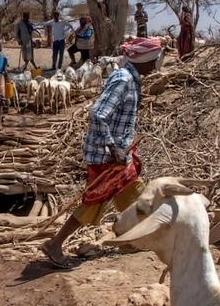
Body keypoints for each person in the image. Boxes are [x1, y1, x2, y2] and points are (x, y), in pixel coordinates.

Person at [40, 37, 164, 268]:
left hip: (118, 155)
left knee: (135, 194)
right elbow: (98, 114)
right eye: (154, 60)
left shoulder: (132, 80)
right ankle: (55, 244)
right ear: (145, 60)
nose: (156, 65)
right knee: (94, 201)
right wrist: (112, 146)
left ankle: (134, 239)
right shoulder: (123, 80)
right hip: (106, 156)